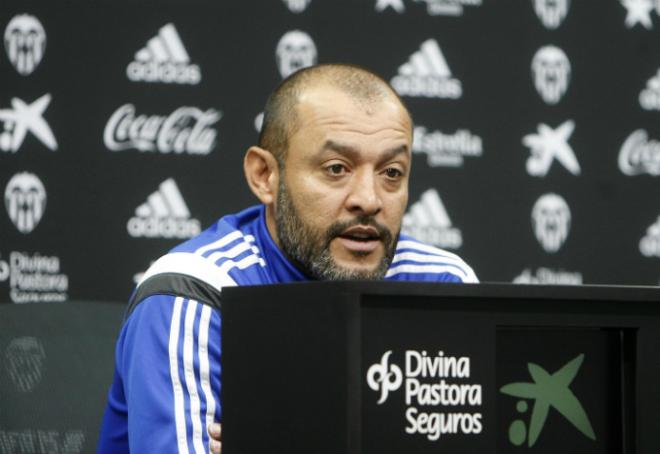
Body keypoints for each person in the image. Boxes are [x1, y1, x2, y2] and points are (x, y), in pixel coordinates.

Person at [97, 63, 478, 454]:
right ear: (264, 175)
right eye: (336, 169)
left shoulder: (442, 286)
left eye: (392, 172)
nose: (369, 199)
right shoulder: (195, 293)